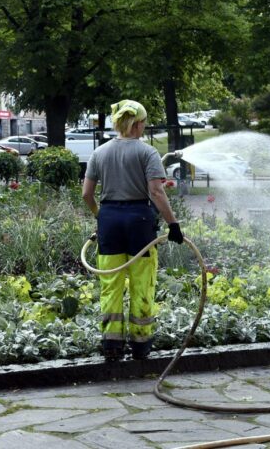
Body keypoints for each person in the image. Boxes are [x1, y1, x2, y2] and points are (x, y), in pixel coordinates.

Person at [82, 99, 184, 362]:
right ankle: (141, 345)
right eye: (144, 123)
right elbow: (156, 191)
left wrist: (101, 216)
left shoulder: (99, 153)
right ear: (138, 124)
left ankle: (112, 345)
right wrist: (173, 224)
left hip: (109, 221)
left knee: (111, 285)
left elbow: (87, 194)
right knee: (142, 283)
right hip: (139, 222)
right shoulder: (147, 152)